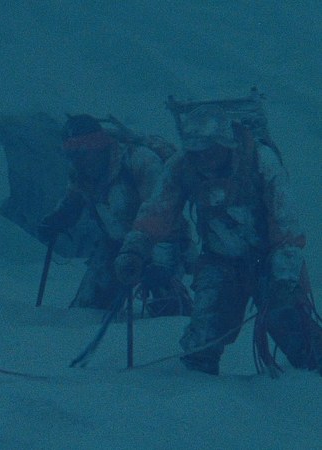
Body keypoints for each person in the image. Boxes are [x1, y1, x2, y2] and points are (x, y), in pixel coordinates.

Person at [115, 99, 322, 376]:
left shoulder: (261, 161)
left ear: (226, 145)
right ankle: (198, 393)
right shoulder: (181, 166)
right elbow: (158, 211)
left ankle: (312, 383)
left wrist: (284, 277)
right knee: (203, 338)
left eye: (209, 150)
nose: (203, 158)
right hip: (219, 261)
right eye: (196, 152)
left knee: (291, 325)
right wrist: (135, 248)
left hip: (270, 260)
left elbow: (286, 225)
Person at [37, 114, 192, 317]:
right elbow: (74, 199)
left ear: (98, 146)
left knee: (167, 308)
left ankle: (177, 320)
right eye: (71, 153)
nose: (77, 160)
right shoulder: (81, 173)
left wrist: (161, 263)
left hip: (160, 242)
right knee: (87, 312)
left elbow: (162, 214)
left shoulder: (140, 161)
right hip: (116, 244)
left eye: (82, 151)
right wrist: (58, 218)